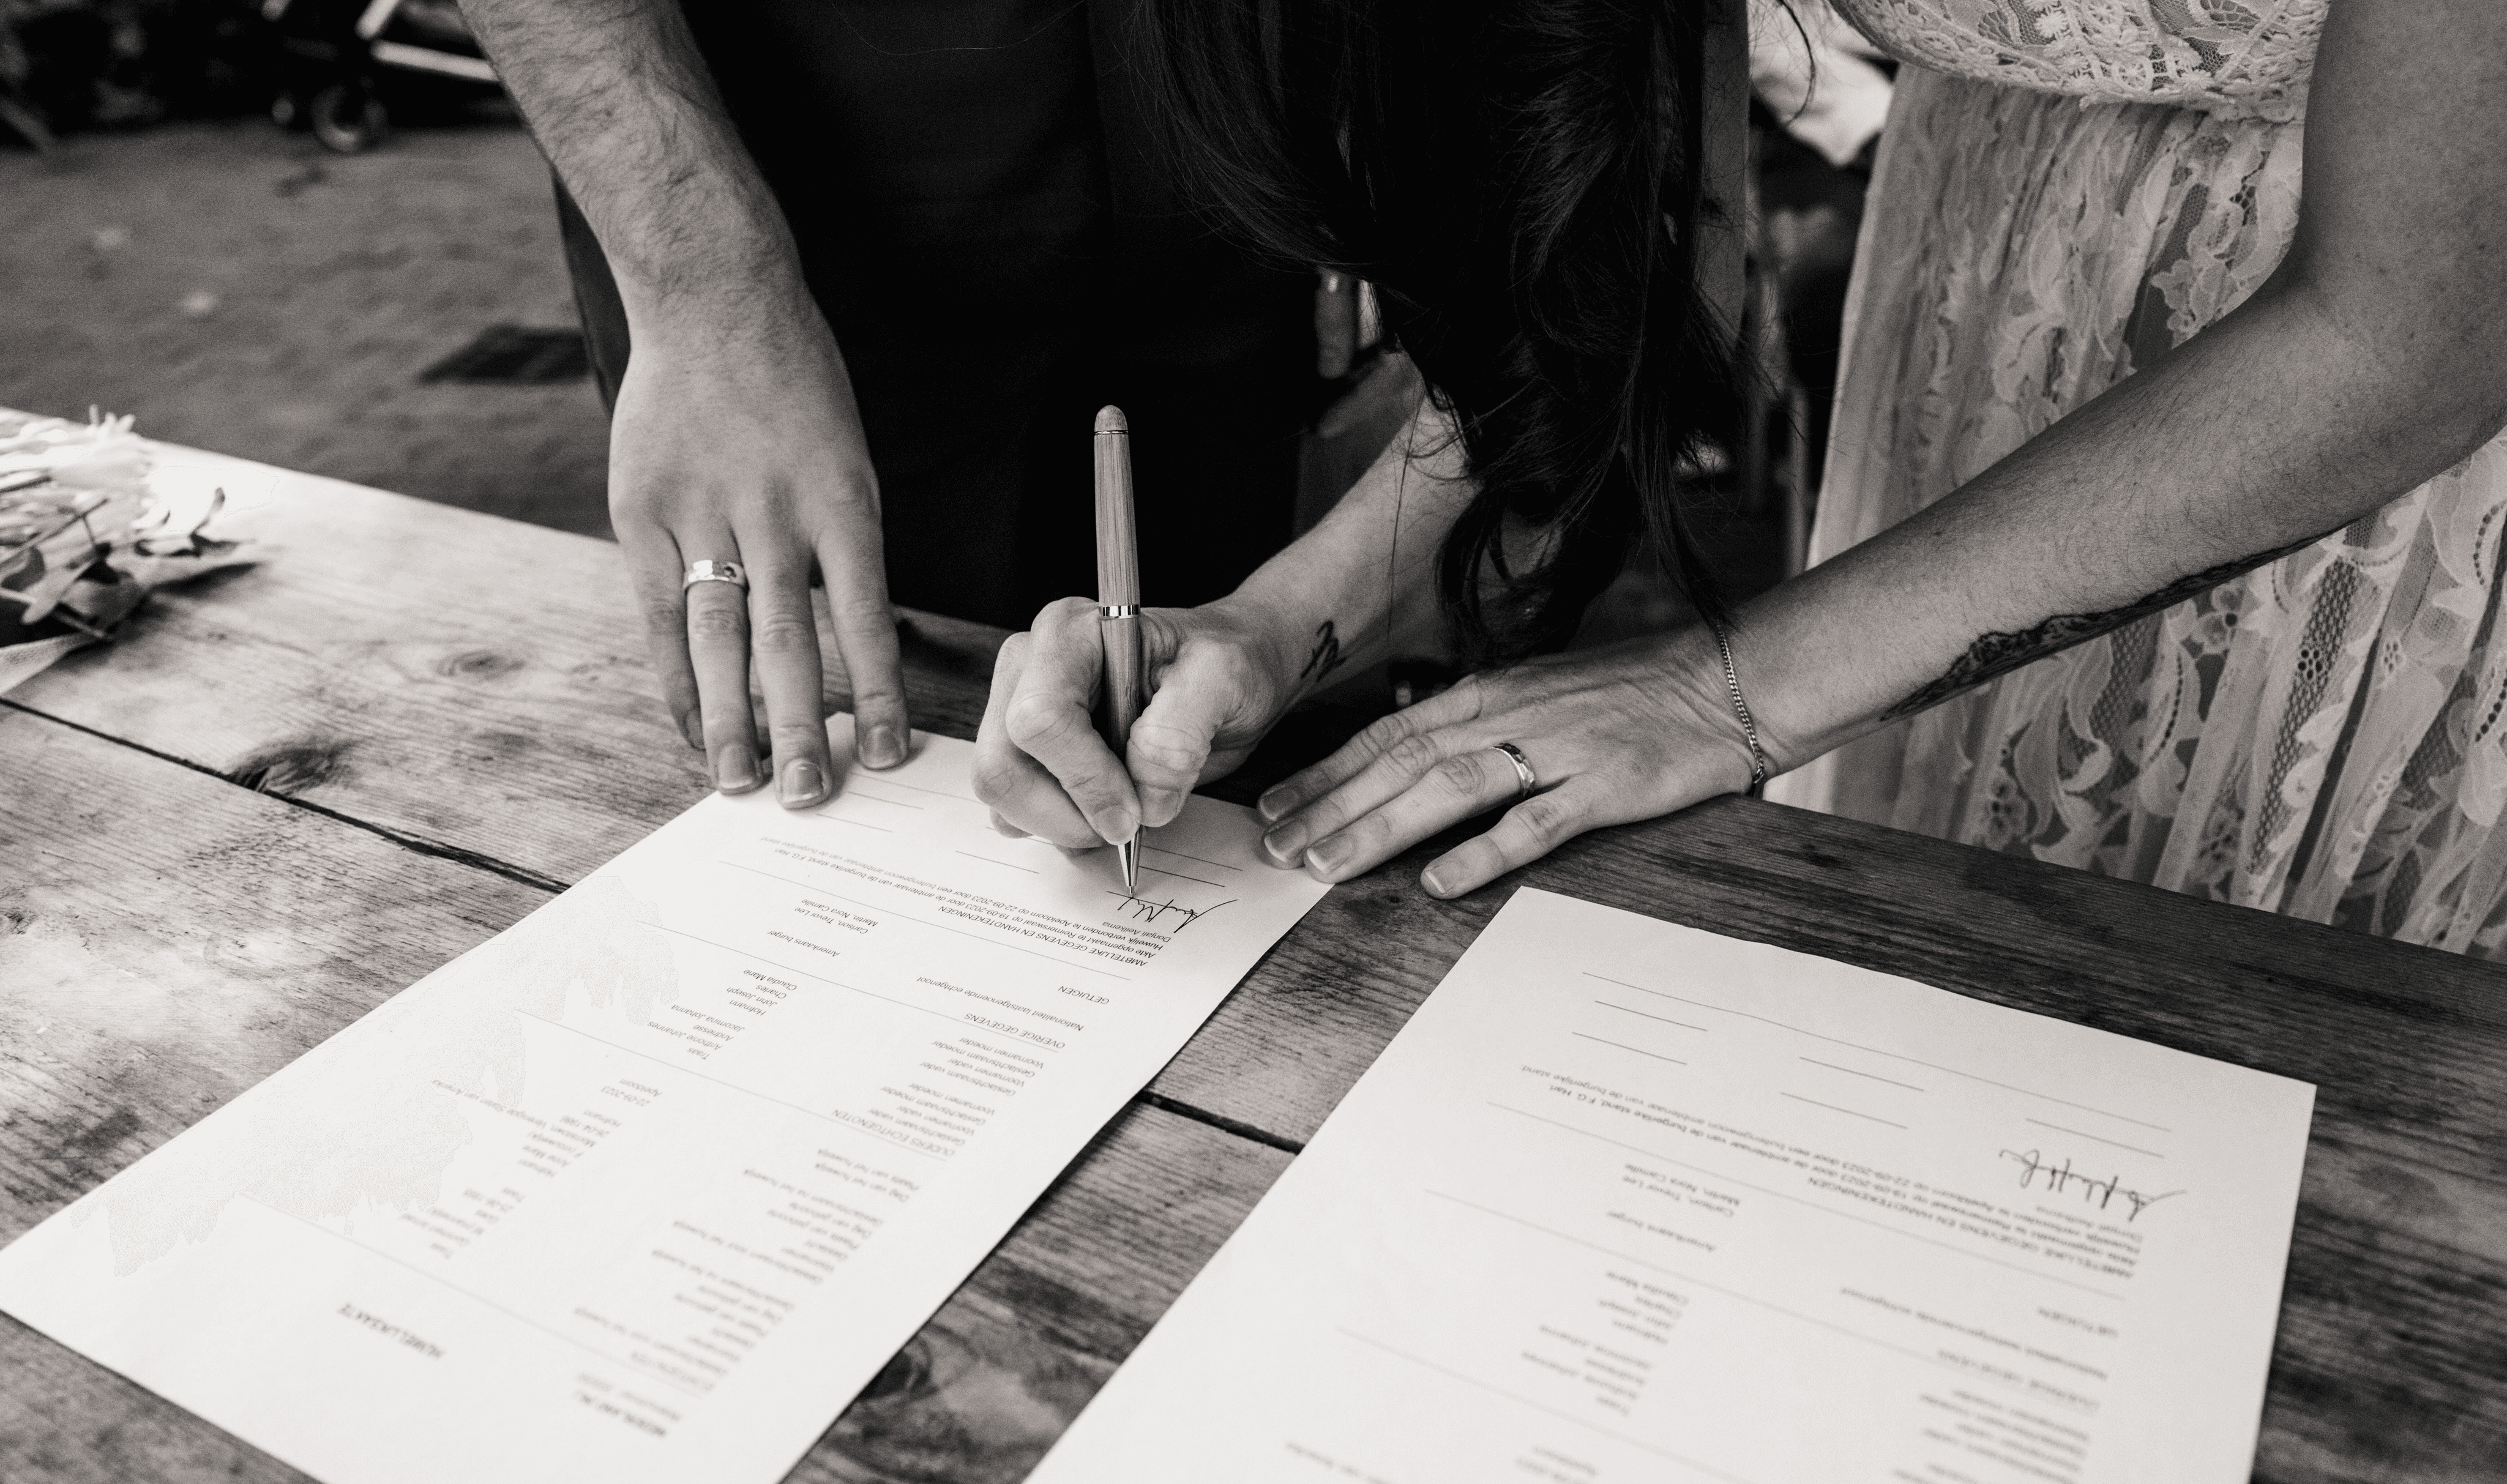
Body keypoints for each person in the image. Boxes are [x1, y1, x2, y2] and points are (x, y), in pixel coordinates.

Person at [973, 0, 2507, 958]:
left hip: (2403, 441)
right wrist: (1273, 617)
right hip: (1987, 316)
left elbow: (2408, 338)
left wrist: (1719, 694)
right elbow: (1623, 233)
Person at [461, 0, 1320, 811]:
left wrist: (1289, 622)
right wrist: (700, 272)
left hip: (1232, 148)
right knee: (877, 709)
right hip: (784, 201)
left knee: (1202, 719)